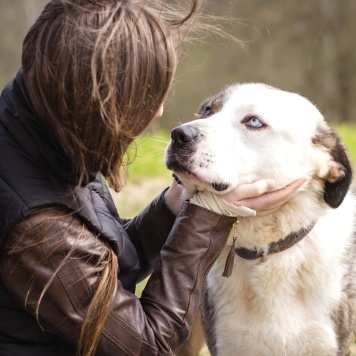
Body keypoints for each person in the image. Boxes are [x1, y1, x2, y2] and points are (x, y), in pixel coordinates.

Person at [0, 0, 306, 355]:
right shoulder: (37, 227)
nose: (159, 110)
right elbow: (147, 345)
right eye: (142, 96)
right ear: (89, 101)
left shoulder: (39, 121)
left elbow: (92, 265)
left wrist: (176, 203)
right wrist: (208, 214)